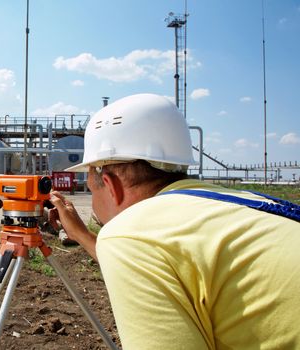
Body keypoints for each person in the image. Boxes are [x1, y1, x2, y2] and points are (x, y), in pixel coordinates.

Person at [48, 93, 300, 349]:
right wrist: (81, 235)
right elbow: (159, 261)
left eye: (91, 189)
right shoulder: (245, 203)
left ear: (111, 186)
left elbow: (135, 245)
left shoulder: (130, 235)